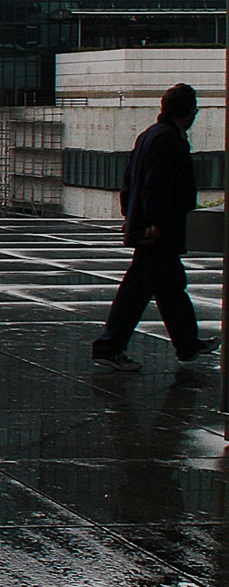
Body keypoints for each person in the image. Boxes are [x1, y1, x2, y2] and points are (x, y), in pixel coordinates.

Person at [92, 83, 221, 371]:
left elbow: (131, 181)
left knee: (170, 287)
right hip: (158, 233)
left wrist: (133, 218)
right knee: (138, 291)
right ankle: (109, 347)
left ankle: (188, 344)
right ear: (189, 111)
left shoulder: (150, 135)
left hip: (148, 228)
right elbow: (159, 186)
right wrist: (156, 225)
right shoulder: (169, 140)